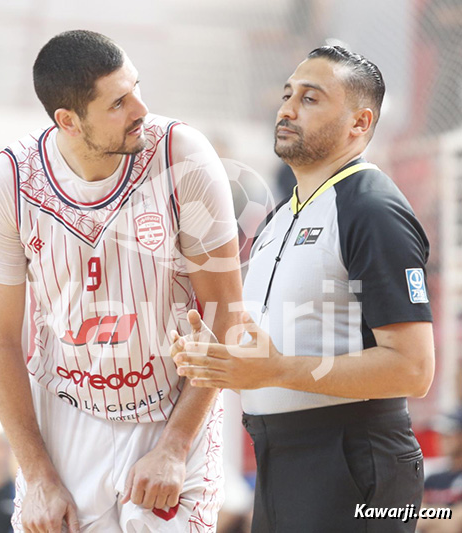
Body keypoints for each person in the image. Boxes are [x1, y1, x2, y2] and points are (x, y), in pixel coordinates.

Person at [0, 30, 243, 532]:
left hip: (172, 406)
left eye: (135, 87)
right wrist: (37, 474)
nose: (141, 108)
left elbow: (225, 314)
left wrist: (176, 444)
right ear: (68, 121)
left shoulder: (182, 155)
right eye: (118, 103)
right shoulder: (8, 181)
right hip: (66, 415)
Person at [172, 45, 435, 532]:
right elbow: (277, 354)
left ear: (360, 123)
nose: (287, 109)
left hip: (350, 460)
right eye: (287, 95)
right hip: (280, 457)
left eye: (310, 98)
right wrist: (220, 360)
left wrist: (276, 369)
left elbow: (413, 369)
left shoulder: (372, 210)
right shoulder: (279, 217)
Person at [418, 407, 462, 532]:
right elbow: (412, 518)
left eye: (450, 434)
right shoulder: (433, 479)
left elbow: (455, 524)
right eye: (441, 434)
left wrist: (429, 515)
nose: (442, 439)